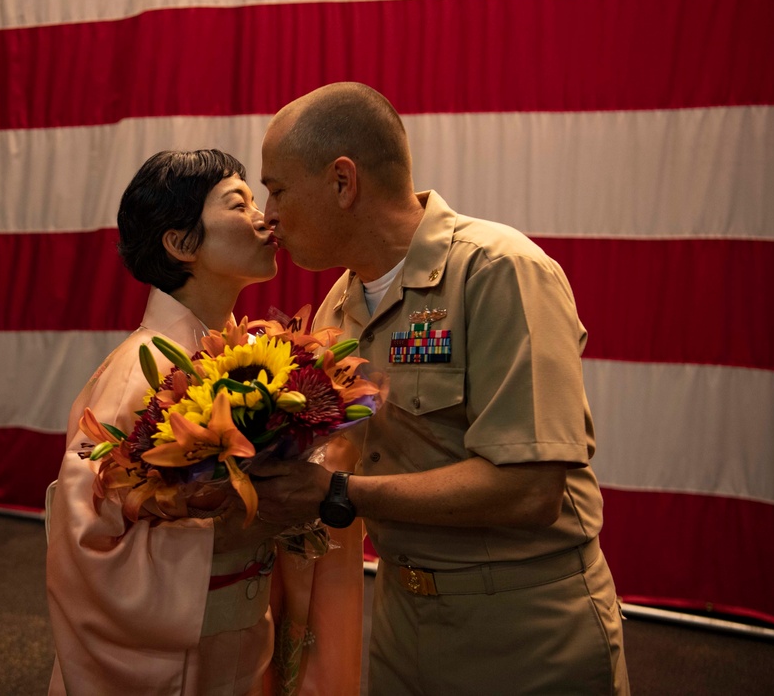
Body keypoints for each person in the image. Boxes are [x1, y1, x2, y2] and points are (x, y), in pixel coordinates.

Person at [253, 83, 630, 695]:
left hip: (522, 628)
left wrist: (337, 494)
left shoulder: (499, 271)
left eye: (277, 189)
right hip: (403, 618)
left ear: (343, 183)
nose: (267, 215)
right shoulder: (340, 304)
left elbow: (532, 489)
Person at [46, 149, 363, 695]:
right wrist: (254, 523)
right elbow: (87, 546)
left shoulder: (246, 351)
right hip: (177, 656)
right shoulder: (142, 372)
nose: (265, 217)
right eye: (237, 203)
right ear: (181, 243)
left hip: (234, 631)